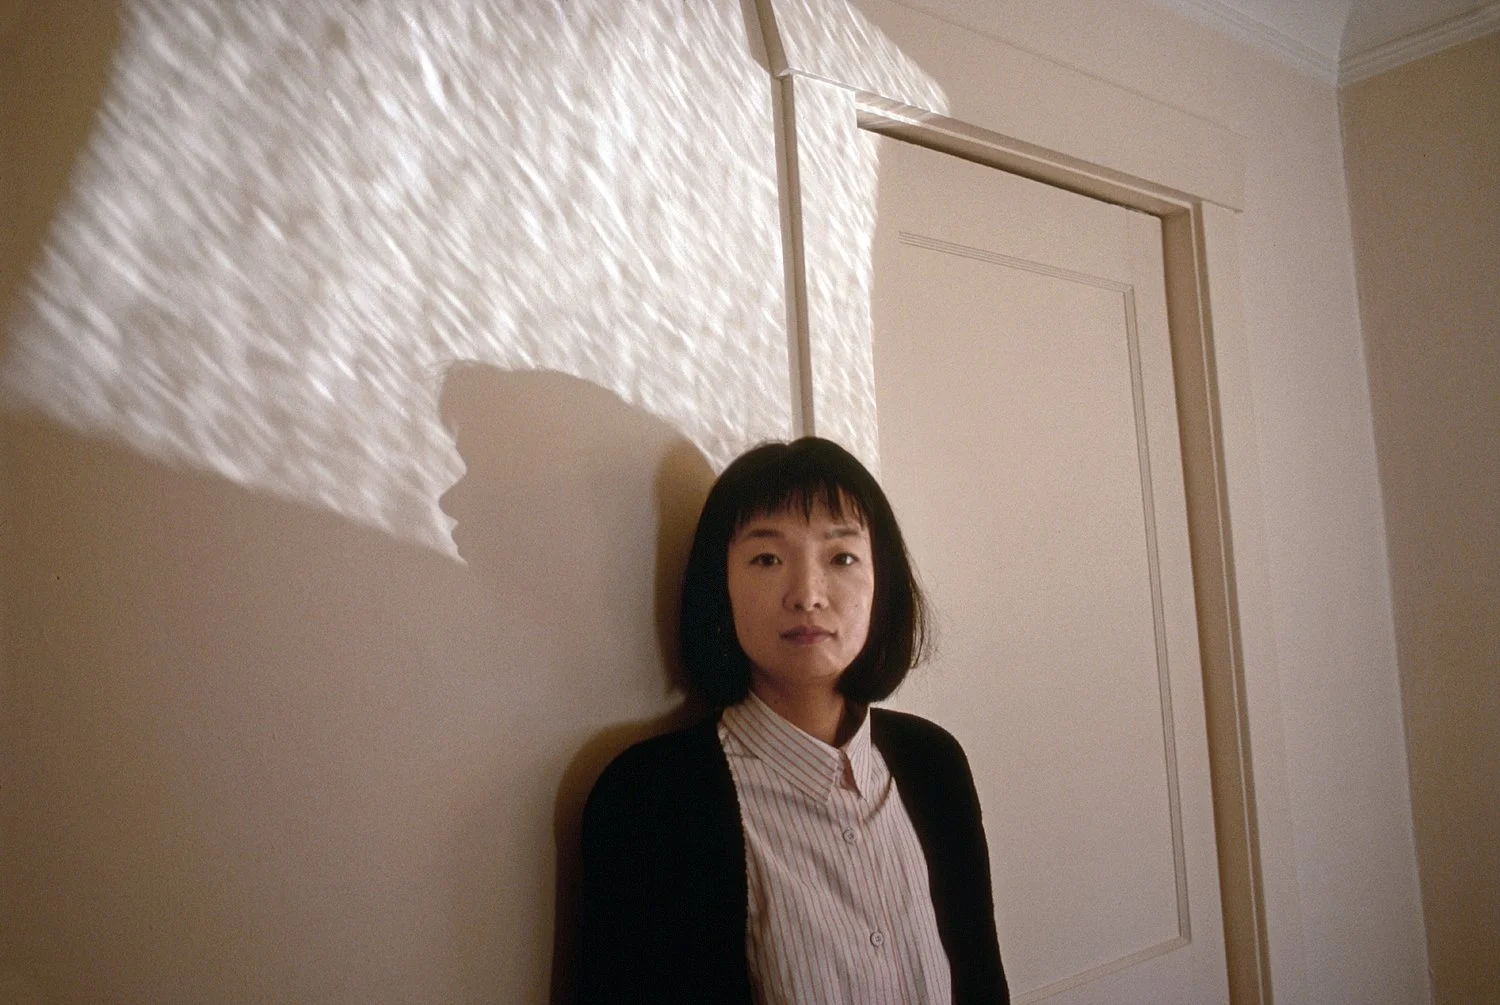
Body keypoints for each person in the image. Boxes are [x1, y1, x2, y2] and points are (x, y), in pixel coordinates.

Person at [578, 436, 1008, 1004]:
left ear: (881, 582)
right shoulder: (649, 798)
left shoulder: (933, 762)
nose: (807, 595)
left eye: (842, 557)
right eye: (767, 559)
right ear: (719, 585)